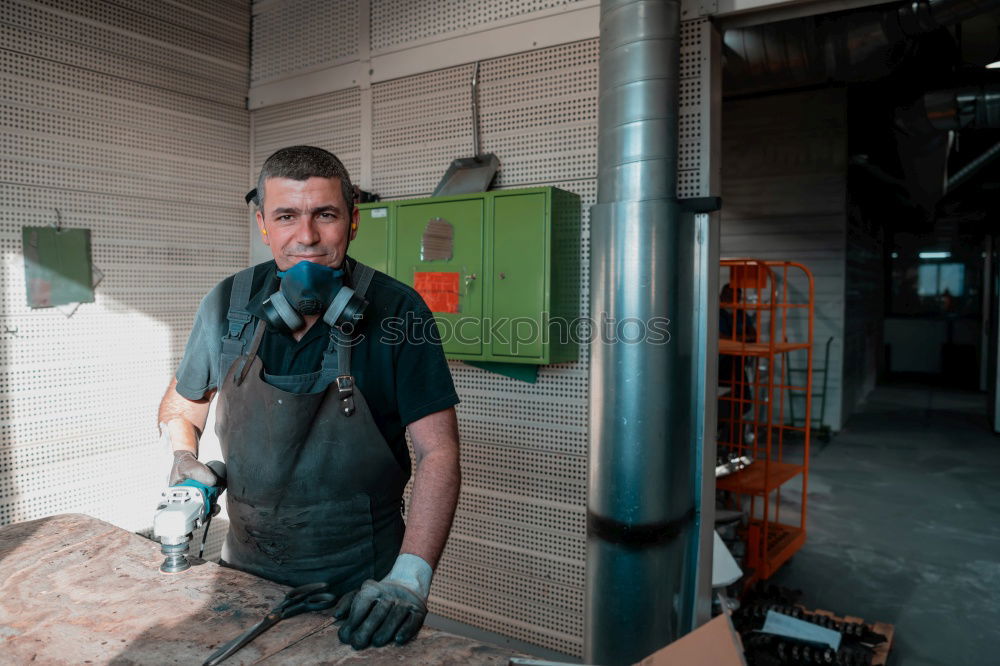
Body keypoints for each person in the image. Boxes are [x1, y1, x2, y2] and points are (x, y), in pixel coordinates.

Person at [157, 146, 461, 650]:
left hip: (363, 589)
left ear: (353, 221)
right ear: (263, 224)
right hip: (243, 577)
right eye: (286, 216)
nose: (307, 236)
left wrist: (408, 579)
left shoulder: (398, 311)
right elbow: (183, 406)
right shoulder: (227, 306)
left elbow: (439, 452)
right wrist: (183, 455)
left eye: (325, 214)